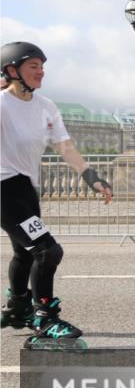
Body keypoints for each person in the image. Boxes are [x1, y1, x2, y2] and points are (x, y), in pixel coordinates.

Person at [0, 42, 113, 348]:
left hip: (25, 188)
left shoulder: (45, 106)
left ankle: (18, 307)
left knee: (25, 252)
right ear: (12, 70)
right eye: (33, 66)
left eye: (42, 66)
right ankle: (45, 318)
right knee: (47, 250)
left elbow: (65, 147)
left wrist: (91, 177)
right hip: (2, 190)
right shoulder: (2, 104)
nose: (41, 72)